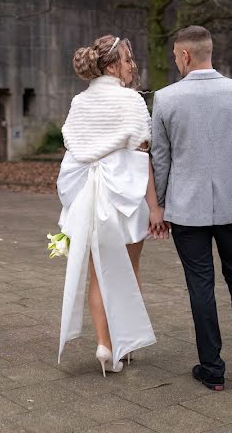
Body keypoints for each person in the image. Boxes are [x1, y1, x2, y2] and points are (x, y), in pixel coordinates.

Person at [150, 25, 232, 391]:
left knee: (200, 286)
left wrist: (159, 205)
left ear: (185, 55)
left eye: (175, 56)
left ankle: (212, 369)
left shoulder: (166, 99)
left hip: (186, 210)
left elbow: (160, 157)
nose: (175, 62)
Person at [56, 34, 166, 376]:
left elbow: (74, 152)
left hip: (90, 199)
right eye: (128, 60)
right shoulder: (130, 102)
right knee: (129, 273)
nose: (133, 66)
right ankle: (124, 342)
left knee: (97, 276)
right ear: (112, 66)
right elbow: (142, 157)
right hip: (126, 199)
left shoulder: (79, 103)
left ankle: (105, 345)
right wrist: (156, 207)